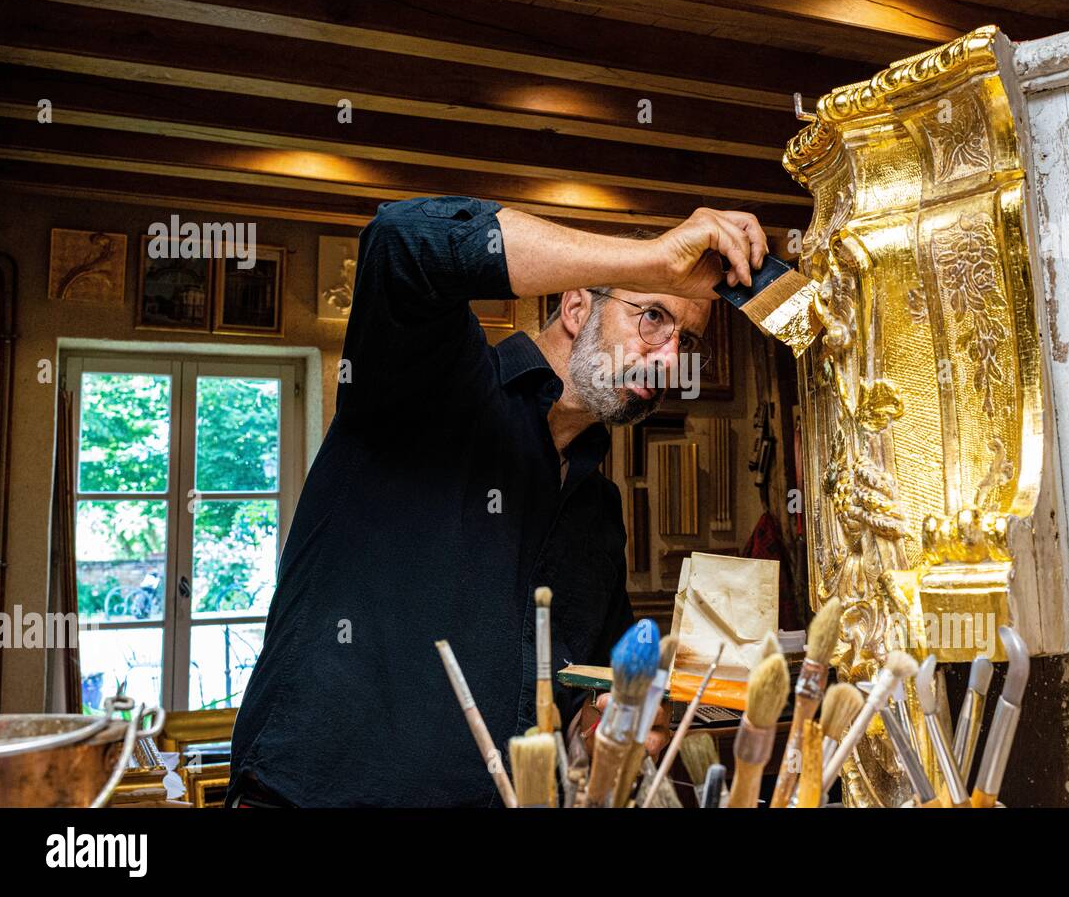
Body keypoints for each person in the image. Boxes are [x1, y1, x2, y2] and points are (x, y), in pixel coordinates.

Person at [228, 195, 768, 806]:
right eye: (652, 317)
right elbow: (400, 240)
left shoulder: (597, 512)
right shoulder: (428, 384)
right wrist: (655, 257)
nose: (669, 359)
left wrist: (606, 725)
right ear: (575, 305)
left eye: (685, 341)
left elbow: (597, 685)